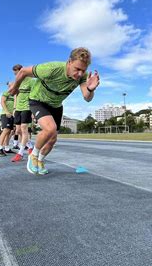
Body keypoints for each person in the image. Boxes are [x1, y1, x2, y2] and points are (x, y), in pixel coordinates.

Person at [9, 47, 100, 175]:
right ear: (69, 62)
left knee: (52, 139)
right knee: (49, 129)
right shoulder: (52, 69)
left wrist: (90, 89)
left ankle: (40, 160)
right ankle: (33, 155)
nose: (79, 74)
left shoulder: (83, 76)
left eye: (83, 70)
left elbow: (87, 98)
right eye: (77, 69)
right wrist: (15, 87)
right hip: (38, 100)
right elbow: (23, 71)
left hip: (56, 105)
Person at [10, 64, 36, 162]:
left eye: (16, 73)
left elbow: (34, 95)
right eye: (14, 74)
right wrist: (14, 107)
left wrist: (33, 110)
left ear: (21, 71)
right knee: (18, 131)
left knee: (24, 129)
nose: (15, 75)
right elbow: (15, 95)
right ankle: (30, 146)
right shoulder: (17, 81)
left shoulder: (30, 81)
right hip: (18, 109)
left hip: (27, 107)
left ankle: (20, 153)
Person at [0, 82, 15, 156]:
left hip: (12, 115)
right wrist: (7, 112)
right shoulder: (6, 92)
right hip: (5, 114)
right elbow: (2, 102)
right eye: (13, 84)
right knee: (6, 130)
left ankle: (6, 148)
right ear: (9, 86)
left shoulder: (14, 94)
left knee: (9, 132)